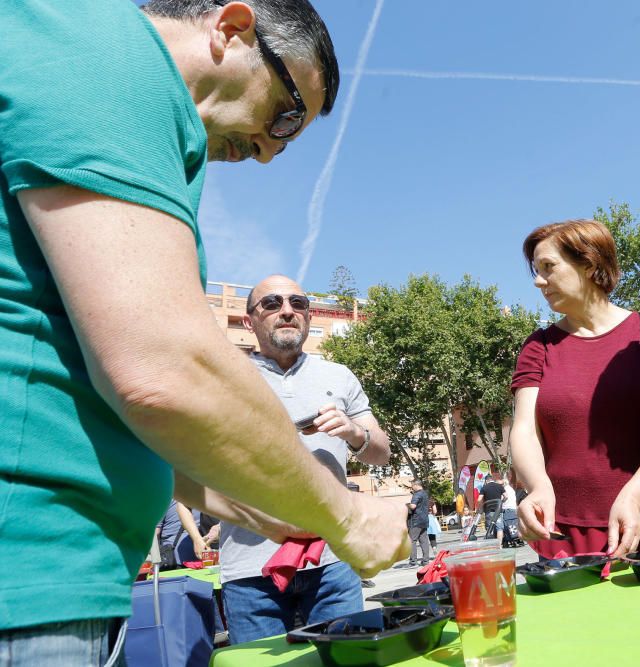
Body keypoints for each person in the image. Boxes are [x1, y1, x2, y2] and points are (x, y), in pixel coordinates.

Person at [0, 1, 409, 661]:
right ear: (231, 26)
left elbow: (119, 401)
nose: (271, 151)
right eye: (285, 114)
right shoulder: (112, 54)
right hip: (29, 576)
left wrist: (261, 505)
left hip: (63, 584)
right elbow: (164, 371)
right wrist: (351, 518)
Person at [216, 274, 392, 644]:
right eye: (272, 303)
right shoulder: (222, 379)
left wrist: (354, 432)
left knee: (349, 659)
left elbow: (383, 453)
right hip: (252, 570)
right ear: (249, 321)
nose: (287, 311)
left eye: (298, 304)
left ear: (309, 318)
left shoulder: (339, 375)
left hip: (334, 563)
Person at [511, 220, 640, 560]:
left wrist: (635, 497)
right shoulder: (539, 346)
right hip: (559, 533)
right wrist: (537, 487)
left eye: (548, 267)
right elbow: (524, 431)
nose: (538, 280)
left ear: (589, 264)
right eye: (536, 269)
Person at [156, 500, 208, 570]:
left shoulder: (164, 498)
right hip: (203, 554)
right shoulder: (201, 495)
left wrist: (155, 559)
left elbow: (155, 533)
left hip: (173, 559)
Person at [407, 480, 431, 567]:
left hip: (416, 521)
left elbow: (413, 506)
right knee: (424, 541)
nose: (412, 487)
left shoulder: (416, 494)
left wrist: (407, 505)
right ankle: (425, 561)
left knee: (411, 541)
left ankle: (413, 562)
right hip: (424, 520)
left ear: (416, 485)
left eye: (412, 485)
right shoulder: (425, 494)